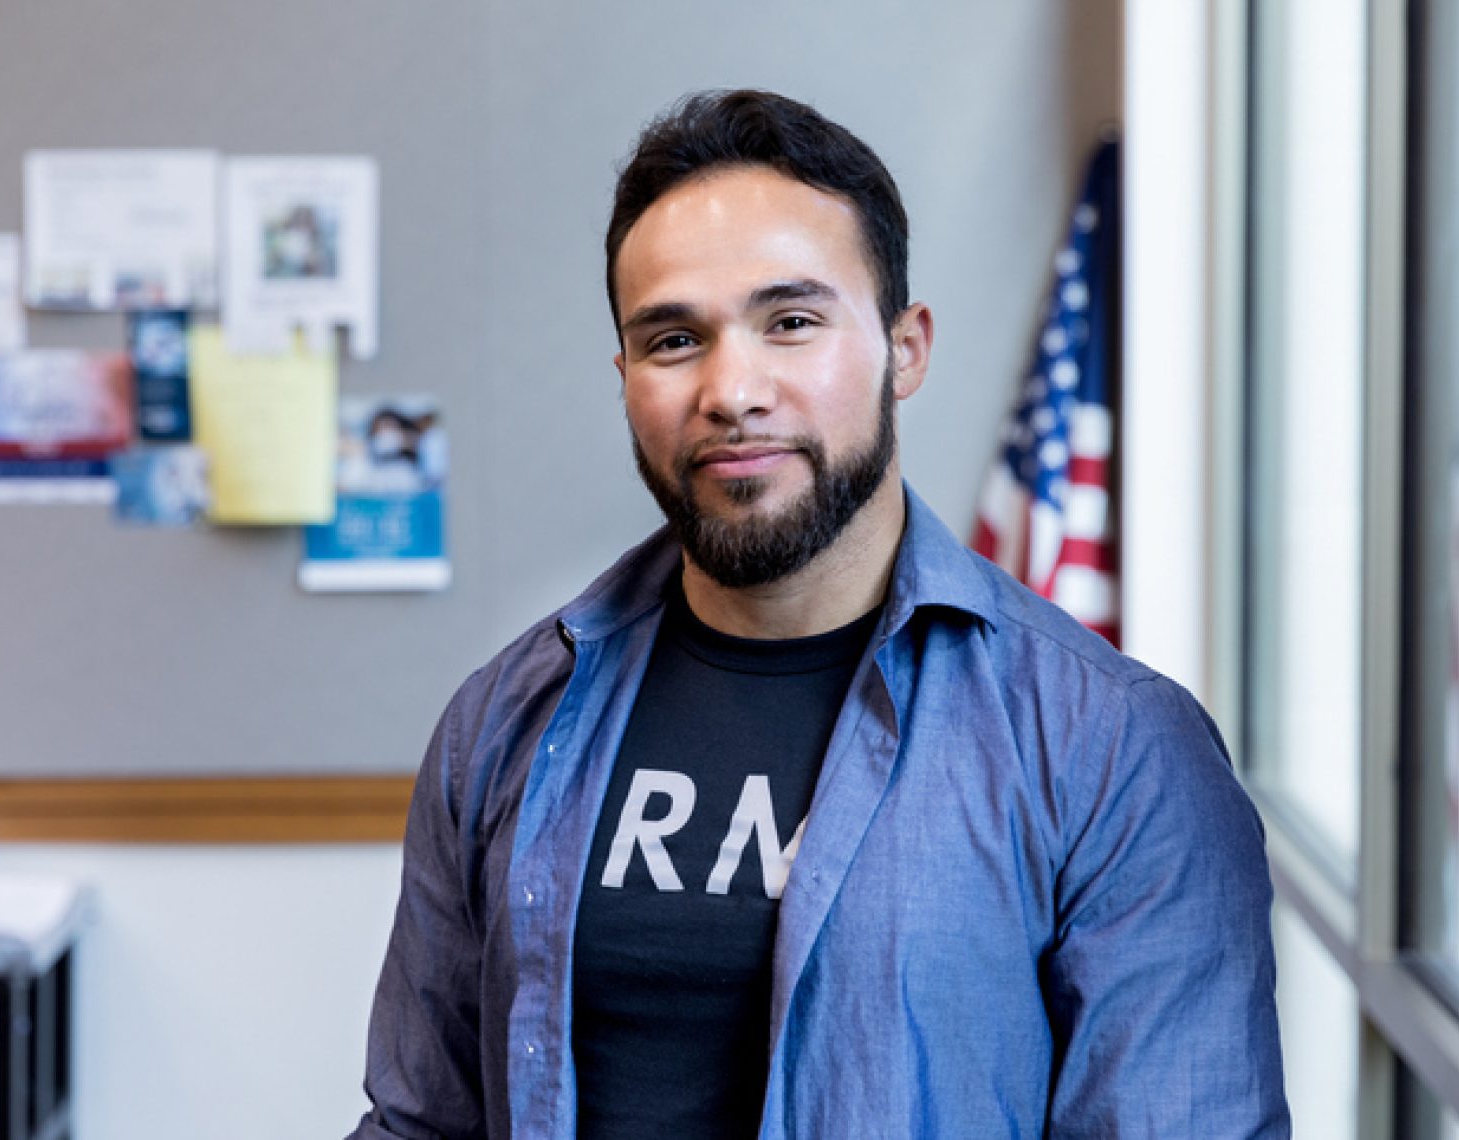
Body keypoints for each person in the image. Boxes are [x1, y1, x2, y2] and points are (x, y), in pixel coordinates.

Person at [349, 89, 1290, 1139]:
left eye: (790, 322)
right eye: (671, 340)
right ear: (625, 380)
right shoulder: (504, 721)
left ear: (906, 349)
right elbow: (420, 1122)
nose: (731, 389)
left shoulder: (1114, 751)